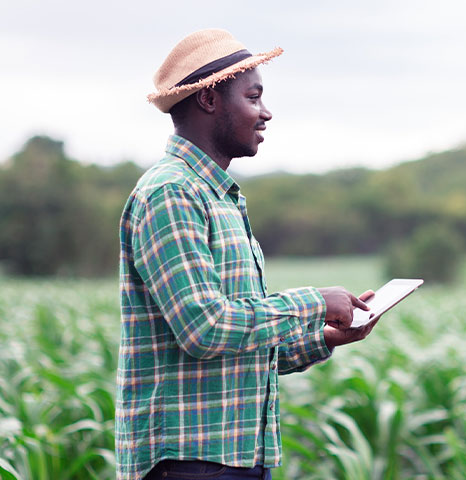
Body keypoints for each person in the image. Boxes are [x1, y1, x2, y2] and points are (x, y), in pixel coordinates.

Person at [116, 29, 379, 480]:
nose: (266, 113)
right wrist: (315, 302)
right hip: (190, 463)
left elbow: (238, 344)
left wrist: (323, 338)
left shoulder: (220, 197)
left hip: (231, 458)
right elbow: (205, 328)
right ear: (209, 100)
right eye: (253, 97)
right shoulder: (172, 193)